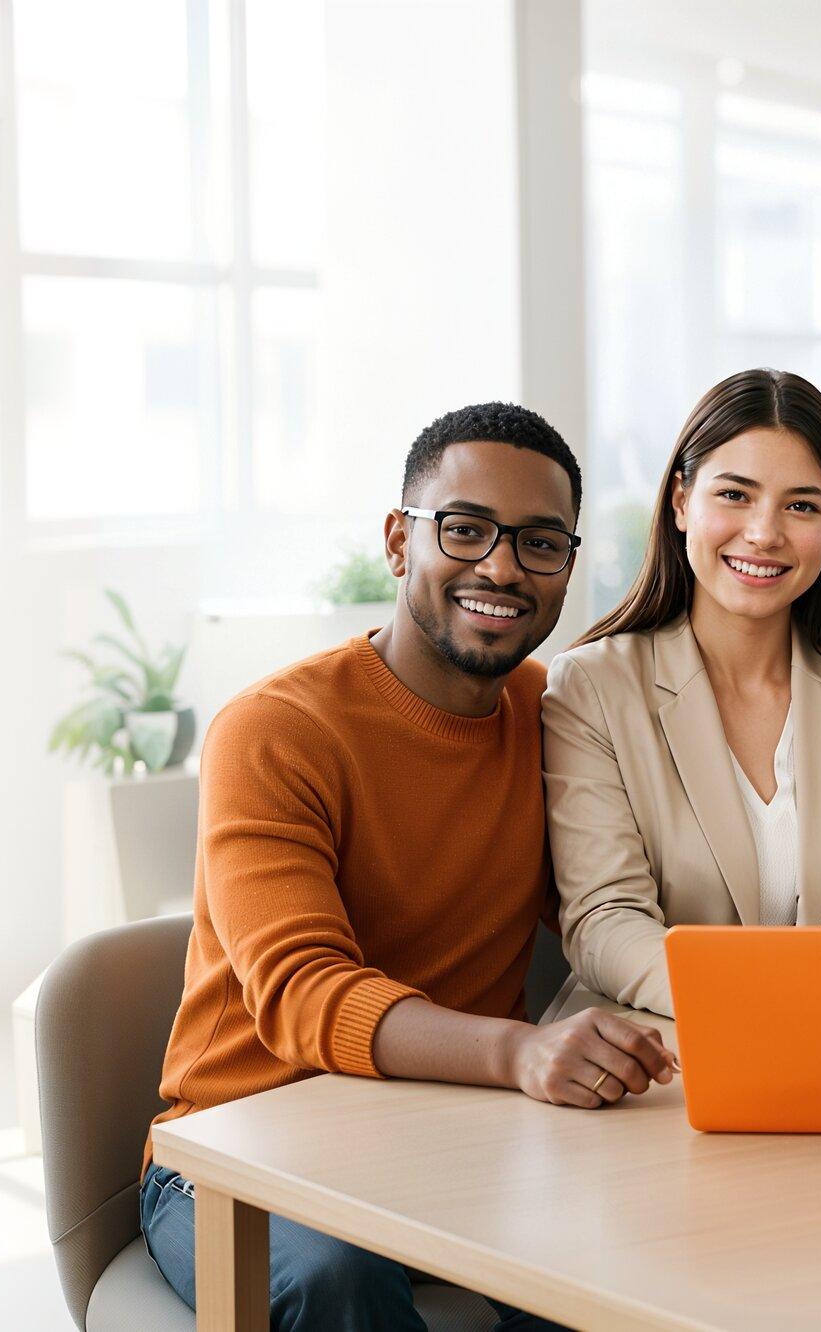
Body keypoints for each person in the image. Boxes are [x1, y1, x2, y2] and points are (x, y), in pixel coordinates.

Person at [142, 402, 676, 1327]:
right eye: (464, 530)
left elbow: (613, 905)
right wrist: (518, 1052)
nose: (501, 568)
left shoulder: (554, 714)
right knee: (333, 1277)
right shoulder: (274, 730)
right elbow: (302, 992)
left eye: (539, 543)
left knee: (637, 1240)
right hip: (239, 1151)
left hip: (461, 1136)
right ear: (399, 541)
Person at [543, 368, 821, 1017]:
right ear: (681, 499)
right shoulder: (593, 686)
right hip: (667, 1048)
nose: (764, 533)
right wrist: (761, 1005)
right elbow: (607, 919)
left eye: (801, 505)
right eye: (736, 495)